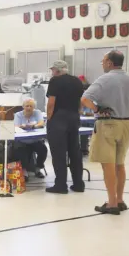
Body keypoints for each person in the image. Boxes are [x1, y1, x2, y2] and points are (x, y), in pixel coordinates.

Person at [81, 50, 129, 215]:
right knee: (119, 164)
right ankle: (120, 199)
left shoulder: (104, 79)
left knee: (107, 164)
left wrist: (97, 108)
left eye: (103, 61)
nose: (102, 63)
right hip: (127, 124)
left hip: (108, 125)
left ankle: (112, 203)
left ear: (109, 62)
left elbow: (85, 98)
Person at [46, 60, 85, 194]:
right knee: (75, 151)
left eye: (53, 70)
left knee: (59, 153)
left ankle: (61, 185)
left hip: (59, 118)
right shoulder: (77, 81)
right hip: (74, 118)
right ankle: (78, 184)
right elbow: (80, 101)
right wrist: (77, 114)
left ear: (57, 70)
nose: (52, 72)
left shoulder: (55, 81)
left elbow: (51, 103)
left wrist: (49, 119)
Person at [14, 98, 47, 181]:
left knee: (43, 150)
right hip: (22, 140)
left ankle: (38, 168)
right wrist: (23, 126)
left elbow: (41, 123)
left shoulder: (38, 112)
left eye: (31, 106)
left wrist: (33, 126)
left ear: (34, 107)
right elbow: (15, 126)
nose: (29, 108)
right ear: (23, 107)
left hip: (35, 140)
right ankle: (24, 172)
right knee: (21, 151)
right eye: (27, 106)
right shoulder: (18, 114)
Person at [78, 75, 94, 155]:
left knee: (84, 126)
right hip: (80, 121)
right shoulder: (79, 102)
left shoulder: (92, 101)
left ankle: (84, 148)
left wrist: (84, 113)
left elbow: (94, 113)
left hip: (92, 122)